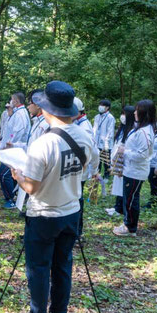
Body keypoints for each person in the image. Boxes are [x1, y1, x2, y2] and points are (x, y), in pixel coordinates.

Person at [11, 80, 93, 313]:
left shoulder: (43, 144)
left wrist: (18, 177)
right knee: (63, 265)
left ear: (48, 110)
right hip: (71, 210)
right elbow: (84, 170)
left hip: (44, 213)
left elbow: (32, 188)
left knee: (38, 267)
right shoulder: (85, 136)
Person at [113, 100, 156, 237]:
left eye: (138, 110)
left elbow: (142, 155)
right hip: (131, 169)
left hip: (135, 171)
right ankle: (127, 223)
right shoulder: (140, 128)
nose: (135, 113)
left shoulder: (145, 132)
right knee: (128, 198)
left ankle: (130, 227)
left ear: (145, 113)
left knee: (131, 199)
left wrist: (124, 151)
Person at [72, 97, 100, 238]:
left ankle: (77, 232)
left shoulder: (84, 128)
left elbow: (94, 152)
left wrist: (94, 170)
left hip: (79, 172)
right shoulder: (79, 123)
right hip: (74, 170)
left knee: (77, 201)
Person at [0, 92, 31, 209]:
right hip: (11, 147)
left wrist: (11, 143)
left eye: (12, 100)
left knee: (4, 174)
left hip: (15, 149)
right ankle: (10, 195)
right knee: (6, 173)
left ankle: (10, 199)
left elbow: (19, 131)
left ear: (16, 101)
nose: (10, 102)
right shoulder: (16, 113)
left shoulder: (21, 114)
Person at [105, 106, 135, 217]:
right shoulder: (122, 128)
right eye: (122, 113)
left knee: (122, 186)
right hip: (117, 161)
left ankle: (121, 209)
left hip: (123, 163)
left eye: (125, 114)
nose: (122, 116)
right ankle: (117, 207)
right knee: (117, 184)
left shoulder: (132, 130)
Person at [93, 99, 115, 179]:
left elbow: (110, 131)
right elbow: (94, 129)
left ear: (107, 108)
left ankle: (106, 175)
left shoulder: (110, 118)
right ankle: (96, 174)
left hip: (106, 144)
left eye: (103, 105)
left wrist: (106, 142)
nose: (100, 107)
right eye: (100, 105)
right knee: (97, 160)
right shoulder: (97, 117)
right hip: (97, 142)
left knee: (106, 161)